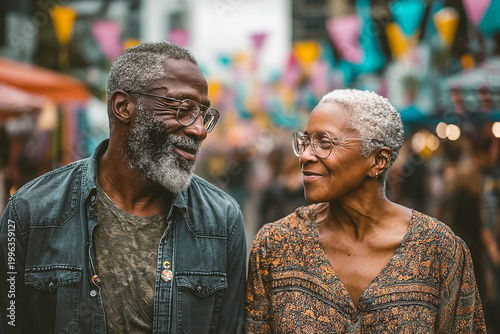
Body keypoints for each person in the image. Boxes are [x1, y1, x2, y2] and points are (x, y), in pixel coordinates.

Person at [0, 41, 247, 334]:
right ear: (123, 107)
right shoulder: (30, 212)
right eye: (184, 109)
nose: (200, 130)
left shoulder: (221, 220)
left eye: (204, 114)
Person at [245, 89, 486, 333]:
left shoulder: (438, 251)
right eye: (305, 142)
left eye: (324, 143)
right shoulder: (275, 245)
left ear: (378, 160)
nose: (306, 155)